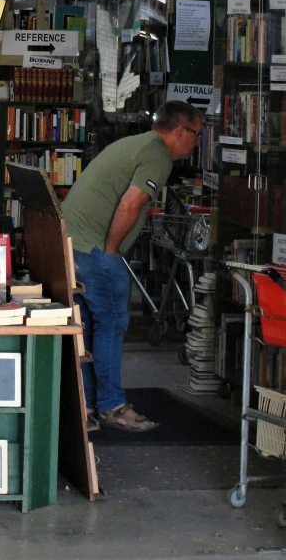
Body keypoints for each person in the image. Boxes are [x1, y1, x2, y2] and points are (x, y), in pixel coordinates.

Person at [61, 101, 204, 432]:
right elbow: (131, 204)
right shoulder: (157, 155)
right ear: (180, 131)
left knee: (87, 328)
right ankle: (112, 406)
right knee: (111, 325)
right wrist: (112, 252)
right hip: (94, 249)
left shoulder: (135, 143)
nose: (197, 143)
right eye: (196, 135)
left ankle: (88, 407)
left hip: (70, 242)